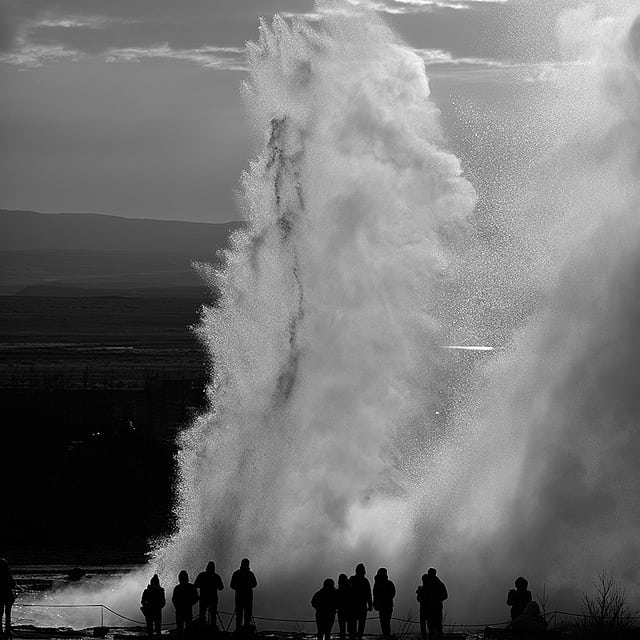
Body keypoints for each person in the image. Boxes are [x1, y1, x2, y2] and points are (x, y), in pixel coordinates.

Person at [416, 568, 448, 640]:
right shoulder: (429, 584)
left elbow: (445, 595)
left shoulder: (438, 584)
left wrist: (435, 600)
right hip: (430, 608)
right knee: (432, 626)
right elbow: (419, 598)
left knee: (435, 626)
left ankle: (434, 637)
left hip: (435, 608)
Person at [230, 558, 257, 632]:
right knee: (247, 615)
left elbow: (232, 585)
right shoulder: (250, 574)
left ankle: (239, 630)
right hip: (248, 597)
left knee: (239, 615)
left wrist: (238, 588)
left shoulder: (236, 573)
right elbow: (255, 584)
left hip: (239, 597)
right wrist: (248, 586)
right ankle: (246, 630)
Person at [195, 561, 224, 627]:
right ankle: (212, 629)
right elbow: (221, 587)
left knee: (202, 614)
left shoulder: (202, 575)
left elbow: (196, 585)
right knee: (213, 614)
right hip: (213, 598)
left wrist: (203, 586)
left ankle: (202, 628)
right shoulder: (216, 576)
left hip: (203, 598)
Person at [348, 563, 372, 640]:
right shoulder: (365, 581)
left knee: (353, 626)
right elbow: (369, 594)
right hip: (361, 606)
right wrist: (370, 605)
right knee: (360, 626)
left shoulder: (352, 579)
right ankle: (358, 637)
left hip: (353, 607)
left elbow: (347, 592)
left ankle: (354, 637)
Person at [172, 570, 198, 636]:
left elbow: (174, 599)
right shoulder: (191, 587)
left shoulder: (177, 588)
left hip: (179, 611)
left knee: (180, 628)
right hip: (188, 610)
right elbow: (196, 598)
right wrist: (190, 604)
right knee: (189, 627)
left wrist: (177, 606)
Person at [373, 568, 396, 639]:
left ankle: (386, 635)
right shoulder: (389, 583)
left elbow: (375, 595)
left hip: (383, 606)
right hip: (387, 606)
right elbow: (392, 594)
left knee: (384, 623)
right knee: (386, 622)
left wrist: (376, 603)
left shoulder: (378, 584)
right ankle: (387, 636)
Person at [0, 559, 16, 640]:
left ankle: (0, 630)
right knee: (8, 614)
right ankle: (7, 630)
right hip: (7, 596)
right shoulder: (7, 574)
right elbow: (13, 584)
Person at [336, 573, 354, 640]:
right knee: (351, 631)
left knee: (342, 630)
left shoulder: (338, 591)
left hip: (341, 612)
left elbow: (336, 603)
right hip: (350, 612)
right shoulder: (351, 590)